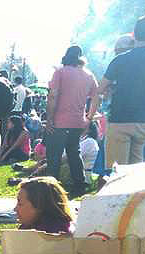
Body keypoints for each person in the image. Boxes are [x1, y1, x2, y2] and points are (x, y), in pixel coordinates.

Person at [89, 14, 145, 168]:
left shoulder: (120, 60)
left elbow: (99, 89)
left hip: (120, 120)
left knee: (117, 171)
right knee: (135, 170)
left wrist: (111, 90)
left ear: (134, 35)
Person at [47, 45, 98, 193]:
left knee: (54, 156)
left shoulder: (60, 72)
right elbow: (96, 97)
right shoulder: (89, 75)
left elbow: (53, 96)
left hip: (59, 120)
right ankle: (79, 184)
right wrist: (89, 118)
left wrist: (49, 119)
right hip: (78, 121)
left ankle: (50, 188)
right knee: (74, 153)